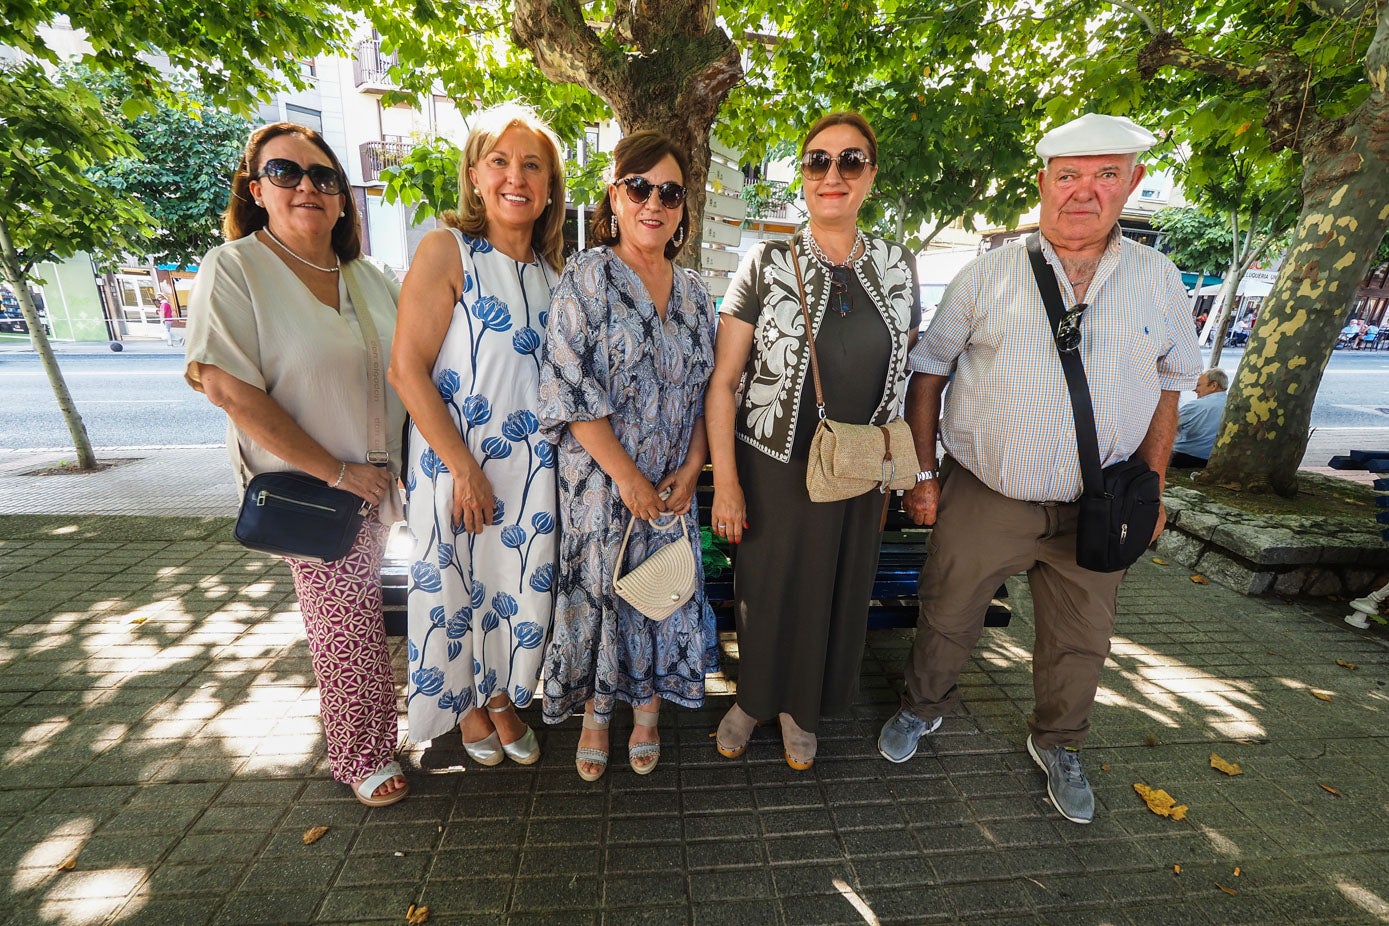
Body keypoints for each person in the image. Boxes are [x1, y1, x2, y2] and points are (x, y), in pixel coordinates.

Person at [876, 113, 1202, 825]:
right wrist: (923, 476)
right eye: (1068, 175)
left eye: (1104, 174)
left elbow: (1170, 385)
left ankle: (1058, 743)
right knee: (947, 612)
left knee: (1081, 639)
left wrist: (1150, 492)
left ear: (1132, 181)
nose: (1083, 191)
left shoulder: (1159, 280)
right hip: (988, 494)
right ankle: (921, 708)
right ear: (1043, 183)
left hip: (1101, 501)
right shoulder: (987, 273)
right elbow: (927, 371)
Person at [184, 123, 410, 807]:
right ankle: (360, 754)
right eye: (286, 173)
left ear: (343, 200)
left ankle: (391, 727)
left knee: (374, 613)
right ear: (256, 190)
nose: (307, 187)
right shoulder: (234, 268)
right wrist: (337, 474)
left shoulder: (365, 277)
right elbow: (226, 387)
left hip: (387, 483)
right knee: (344, 623)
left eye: (324, 177)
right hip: (315, 491)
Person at [706, 112, 922, 770]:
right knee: (766, 590)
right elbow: (722, 382)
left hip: (857, 467)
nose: (833, 175)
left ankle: (801, 708)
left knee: (835, 589)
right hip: (774, 466)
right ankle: (753, 700)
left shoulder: (896, 264)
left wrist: (904, 470)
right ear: (801, 176)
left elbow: (903, 373)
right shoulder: (768, 261)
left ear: (870, 175)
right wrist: (729, 483)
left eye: (850, 161)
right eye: (817, 162)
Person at [389, 105, 565, 766]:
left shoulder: (555, 276)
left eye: (531, 165)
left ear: (549, 187)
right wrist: (462, 467)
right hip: (455, 460)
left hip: (531, 473)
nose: (514, 177)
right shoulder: (448, 249)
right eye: (499, 161)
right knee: (455, 589)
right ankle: (463, 709)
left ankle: (497, 700)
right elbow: (406, 369)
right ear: (473, 173)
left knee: (509, 588)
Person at [538, 131, 717, 781]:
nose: (653, 203)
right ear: (613, 196)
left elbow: (708, 392)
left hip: (671, 486)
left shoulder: (696, 293)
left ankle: (646, 710)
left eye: (669, 192)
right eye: (638, 187)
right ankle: (595, 711)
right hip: (602, 485)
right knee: (603, 597)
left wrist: (693, 465)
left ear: (682, 208)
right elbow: (569, 392)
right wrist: (629, 481)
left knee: (657, 593)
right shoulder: (584, 278)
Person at [1170, 368, 1229, 468]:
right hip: (1211, 459)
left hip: (1182, 457)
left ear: (1213, 386)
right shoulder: (1232, 405)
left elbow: (1167, 427)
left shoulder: (1196, 406)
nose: (1194, 389)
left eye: (1198, 385)